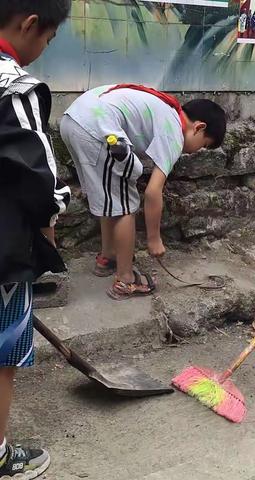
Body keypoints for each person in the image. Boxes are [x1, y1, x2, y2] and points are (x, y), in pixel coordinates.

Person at [60, 86, 227, 300]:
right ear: (198, 127)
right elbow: (152, 192)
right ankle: (125, 279)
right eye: (203, 145)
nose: (196, 151)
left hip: (73, 120)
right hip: (98, 128)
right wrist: (154, 238)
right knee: (126, 205)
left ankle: (108, 256)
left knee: (110, 196)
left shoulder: (165, 109)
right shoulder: (174, 130)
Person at [0, 0, 71, 477]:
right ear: (30, 24)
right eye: (47, 39)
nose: (43, 49)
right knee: (1, 351)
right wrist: (51, 219)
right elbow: (39, 178)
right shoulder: (14, 85)